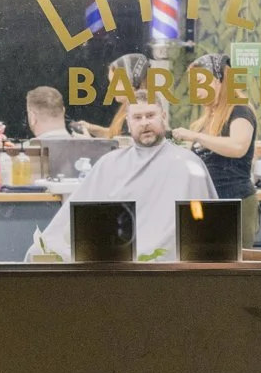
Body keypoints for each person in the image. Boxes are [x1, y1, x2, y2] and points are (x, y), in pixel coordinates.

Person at [33, 95, 216, 261]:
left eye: (150, 115)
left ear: (164, 118)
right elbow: (74, 219)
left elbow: (205, 231)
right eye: (137, 117)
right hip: (117, 260)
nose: (144, 123)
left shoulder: (188, 164)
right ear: (128, 123)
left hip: (170, 265)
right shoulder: (110, 164)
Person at [173, 51, 257, 199]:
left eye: (200, 82)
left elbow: (238, 147)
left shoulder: (239, 109)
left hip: (237, 200)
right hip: (208, 199)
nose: (195, 90)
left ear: (220, 80)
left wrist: (196, 136)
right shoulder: (205, 120)